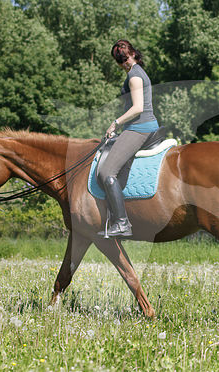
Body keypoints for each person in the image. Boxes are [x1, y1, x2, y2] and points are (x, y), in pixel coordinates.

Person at [97, 40, 159, 238]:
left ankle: (122, 223)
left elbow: (138, 107)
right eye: (120, 61)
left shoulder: (134, 75)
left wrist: (116, 123)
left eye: (124, 59)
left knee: (107, 172)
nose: (123, 64)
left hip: (140, 128)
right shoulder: (138, 70)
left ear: (132, 55)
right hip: (141, 126)